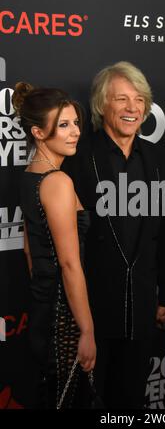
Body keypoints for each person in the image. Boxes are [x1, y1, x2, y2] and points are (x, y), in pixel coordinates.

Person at [63, 61, 165, 409]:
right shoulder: (80, 157)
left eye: (139, 99)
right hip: (93, 306)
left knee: (129, 400)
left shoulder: (158, 159)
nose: (132, 108)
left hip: (143, 306)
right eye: (122, 99)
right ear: (102, 105)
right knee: (88, 400)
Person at [13, 82, 96, 408]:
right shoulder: (57, 182)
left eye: (75, 122)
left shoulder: (30, 175)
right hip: (64, 320)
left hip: (43, 310)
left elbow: (30, 251)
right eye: (63, 125)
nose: (74, 131)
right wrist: (86, 331)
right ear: (38, 131)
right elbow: (70, 264)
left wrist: (45, 296)